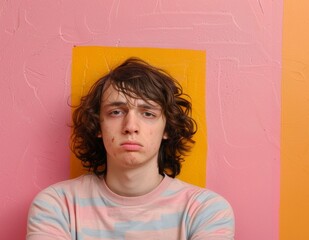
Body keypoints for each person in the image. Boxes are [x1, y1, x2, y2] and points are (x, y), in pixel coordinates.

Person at [26, 57, 235, 239]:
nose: (130, 127)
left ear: (167, 128)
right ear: (98, 125)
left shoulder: (206, 211)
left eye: (148, 113)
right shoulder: (56, 205)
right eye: (116, 112)